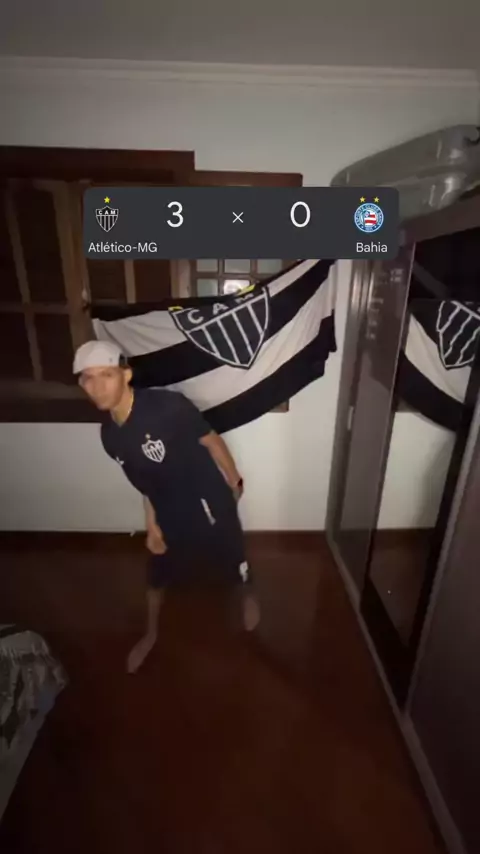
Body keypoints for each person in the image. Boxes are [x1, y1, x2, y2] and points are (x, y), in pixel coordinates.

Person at [73, 340, 260, 673]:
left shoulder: (168, 407)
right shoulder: (110, 436)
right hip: (167, 508)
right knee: (157, 571)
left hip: (207, 499)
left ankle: (246, 594)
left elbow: (211, 441)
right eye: (88, 378)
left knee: (232, 556)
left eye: (107, 375)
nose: (97, 386)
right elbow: (146, 481)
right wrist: (151, 524)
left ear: (126, 375)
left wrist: (235, 482)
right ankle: (151, 633)